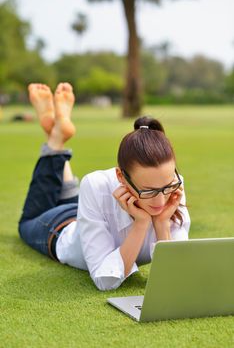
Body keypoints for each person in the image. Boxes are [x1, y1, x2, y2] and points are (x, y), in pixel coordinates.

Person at [18, 82, 191, 291]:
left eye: (165, 188)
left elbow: (175, 275)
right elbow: (104, 279)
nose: (160, 201)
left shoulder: (172, 186)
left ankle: (56, 135)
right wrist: (141, 223)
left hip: (89, 214)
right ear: (121, 176)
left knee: (74, 196)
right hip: (61, 227)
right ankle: (55, 141)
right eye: (148, 191)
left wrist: (162, 224)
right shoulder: (97, 183)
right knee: (27, 222)